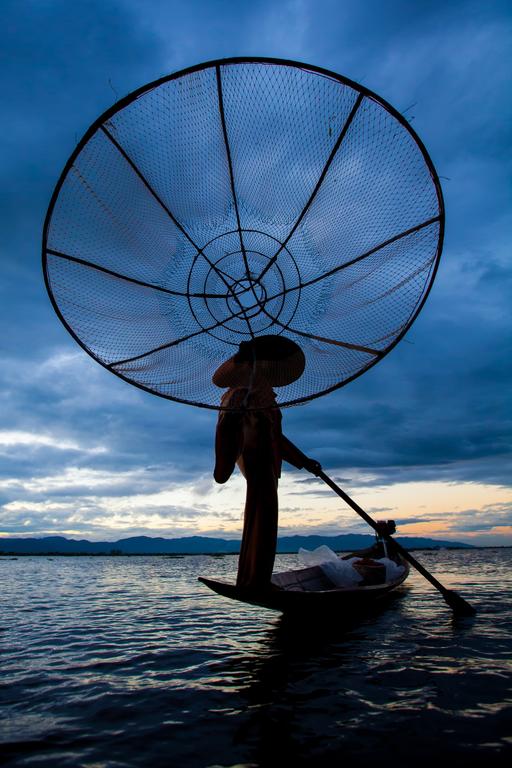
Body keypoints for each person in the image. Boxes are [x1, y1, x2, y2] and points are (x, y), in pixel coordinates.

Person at [212, 335, 318, 590]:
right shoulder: (239, 397)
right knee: (261, 516)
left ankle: (255, 578)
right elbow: (227, 431)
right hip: (255, 460)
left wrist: (303, 461)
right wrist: (224, 464)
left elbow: (275, 437)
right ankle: (253, 580)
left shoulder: (262, 397)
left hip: (267, 464)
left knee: (266, 519)